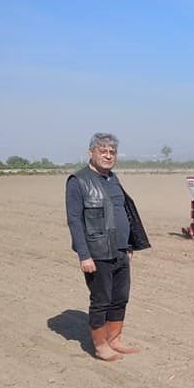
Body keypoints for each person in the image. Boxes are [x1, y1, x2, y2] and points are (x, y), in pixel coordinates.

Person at [66, 133, 150, 361]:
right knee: (101, 300)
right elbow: (74, 221)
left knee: (120, 297)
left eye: (112, 152)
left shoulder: (113, 179)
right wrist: (84, 255)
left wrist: (129, 244)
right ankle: (100, 345)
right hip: (97, 252)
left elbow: (123, 213)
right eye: (103, 151)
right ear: (91, 152)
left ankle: (115, 339)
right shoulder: (78, 181)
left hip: (121, 250)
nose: (108, 155)